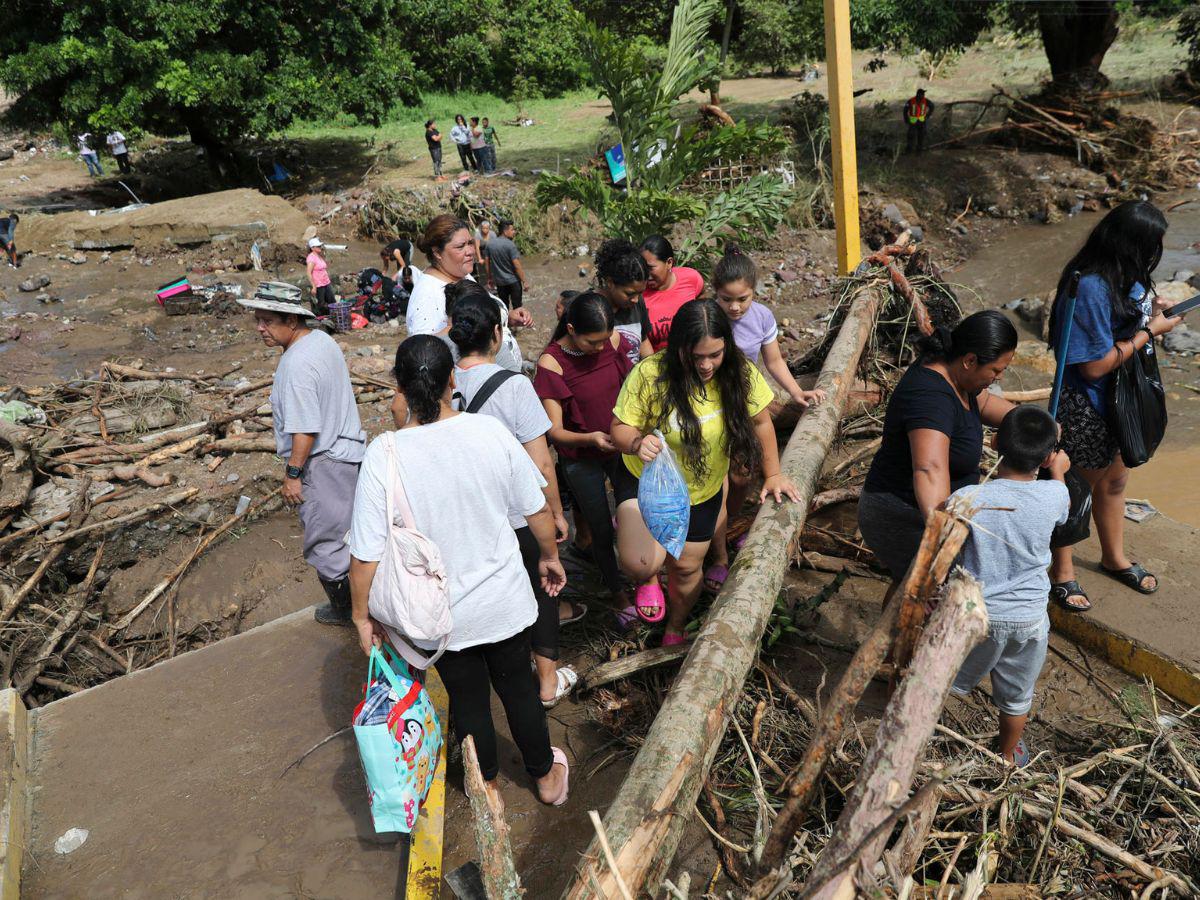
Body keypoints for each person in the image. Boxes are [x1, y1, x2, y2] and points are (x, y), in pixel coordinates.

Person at [348, 335, 569, 805]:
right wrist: (549, 556)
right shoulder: (488, 432)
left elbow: (365, 554)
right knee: (519, 691)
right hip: (503, 601)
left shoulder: (384, 454)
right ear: (452, 379)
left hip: (441, 616)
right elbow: (536, 510)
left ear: (399, 388)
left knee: (468, 704)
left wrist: (361, 615)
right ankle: (546, 779)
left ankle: (486, 787)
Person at [611, 299, 800, 645]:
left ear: (726, 345)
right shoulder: (651, 373)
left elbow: (761, 422)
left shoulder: (738, 372)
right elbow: (619, 427)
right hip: (647, 483)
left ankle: (675, 626)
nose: (705, 365)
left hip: (701, 488)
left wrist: (774, 474)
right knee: (641, 562)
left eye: (714, 355)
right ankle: (648, 578)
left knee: (685, 568)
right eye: (695, 356)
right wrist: (637, 442)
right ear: (678, 347)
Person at [447, 284, 580, 708]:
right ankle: (545, 683)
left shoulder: (439, 384)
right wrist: (555, 512)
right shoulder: (514, 386)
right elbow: (541, 463)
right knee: (543, 588)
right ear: (498, 335)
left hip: (469, 516)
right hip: (518, 515)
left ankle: (495, 674)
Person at [1046, 201, 1183, 612]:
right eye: (1153, 244)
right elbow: (1092, 366)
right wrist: (1149, 333)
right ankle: (1062, 572)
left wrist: (1150, 315)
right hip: (1088, 405)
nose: (1157, 251)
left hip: (1124, 400)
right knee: (1075, 490)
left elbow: (1128, 323)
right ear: (1129, 244)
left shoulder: (1128, 277)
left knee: (1116, 483)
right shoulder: (1087, 285)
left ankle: (1113, 557)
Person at [949, 406, 1071, 765]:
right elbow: (1063, 506)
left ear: (994, 442)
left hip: (975, 615)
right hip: (1029, 619)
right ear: (1048, 457)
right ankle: (1006, 755)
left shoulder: (968, 497)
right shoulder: (1054, 495)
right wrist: (1059, 472)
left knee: (944, 681)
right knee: (1017, 696)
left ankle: (923, 737)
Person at [859, 311, 1019, 582]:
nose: (998, 378)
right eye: (996, 370)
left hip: (925, 510)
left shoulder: (958, 375)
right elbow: (929, 468)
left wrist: (1032, 425)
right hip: (903, 514)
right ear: (970, 360)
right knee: (926, 592)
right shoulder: (930, 397)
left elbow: (985, 404)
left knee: (910, 589)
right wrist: (943, 537)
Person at [239, 289, 366, 625]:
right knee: (351, 533)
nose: (260, 328)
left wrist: (293, 474)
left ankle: (349, 615)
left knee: (326, 545)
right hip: (347, 453)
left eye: (267, 321)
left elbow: (305, 429)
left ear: (292, 320)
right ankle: (363, 606)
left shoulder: (296, 364)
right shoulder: (320, 341)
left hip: (323, 463)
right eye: (258, 321)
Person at [706, 245, 827, 590]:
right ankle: (718, 556)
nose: (734, 307)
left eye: (742, 298)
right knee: (718, 481)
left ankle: (728, 529)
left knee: (742, 478)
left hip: (745, 405)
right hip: (710, 407)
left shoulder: (761, 317)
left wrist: (795, 392)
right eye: (727, 299)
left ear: (754, 292)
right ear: (715, 292)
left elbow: (773, 362)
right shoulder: (708, 318)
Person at [536, 292, 638, 627]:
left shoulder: (612, 340)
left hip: (620, 446)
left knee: (634, 511)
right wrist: (591, 438)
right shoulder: (551, 363)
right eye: (591, 342)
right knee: (598, 526)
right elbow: (554, 432)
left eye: (603, 339)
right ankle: (617, 591)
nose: (599, 347)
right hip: (581, 456)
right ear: (570, 329)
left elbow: (630, 388)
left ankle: (643, 576)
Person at [406, 214, 530, 371]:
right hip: (480, 388)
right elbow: (422, 356)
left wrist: (507, 317)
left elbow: (478, 314)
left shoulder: (461, 274)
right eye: (460, 247)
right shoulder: (427, 294)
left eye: (470, 243)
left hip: (503, 377)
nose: (471, 251)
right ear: (437, 252)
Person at [594, 239, 654, 364]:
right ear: (610, 282)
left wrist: (651, 370)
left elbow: (643, 341)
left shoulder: (637, 303)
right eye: (629, 294)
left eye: (640, 293)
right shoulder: (589, 307)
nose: (636, 300)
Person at [640, 235, 705, 351]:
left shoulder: (692, 279)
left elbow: (705, 310)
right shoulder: (638, 295)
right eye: (642, 267)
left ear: (669, 262)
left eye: (650, 267)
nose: (645, 273)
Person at [484, 220, 529, 310]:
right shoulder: (510, 245)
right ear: (505, 231)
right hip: (513, 282)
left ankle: (506, 323)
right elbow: (517, 266)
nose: (514, 232)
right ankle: (518, 323)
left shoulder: (490, 244)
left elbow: (487, 264)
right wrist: (524, 281)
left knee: (504, 307)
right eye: (512, 230)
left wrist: (489, 278)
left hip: (500, 283)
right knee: (518, 308)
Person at [306, 237, 335, 317]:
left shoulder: (319, 256)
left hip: (326, 282)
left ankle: (333, 317)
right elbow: (309, 272)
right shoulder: (311, 258)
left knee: (332, 301)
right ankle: (322, 319)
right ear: (312, 248)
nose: (320, 247)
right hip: (318, 284)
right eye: (318, 246)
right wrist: (313, 286)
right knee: (321, 304)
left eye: (320, 246)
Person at [904, 88, 933, 154]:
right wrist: (906, 119)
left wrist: (928, 115)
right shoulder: (911, 101)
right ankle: (909, 150)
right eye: (922, 94)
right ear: (918, 94)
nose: (923, 95)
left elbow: (932, 106)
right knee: (911, 136)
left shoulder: (925, 100)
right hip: (913, 121)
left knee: (921, 136)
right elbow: (905, 110)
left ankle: (919, 150)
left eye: (923, 94)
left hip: (922, 121)